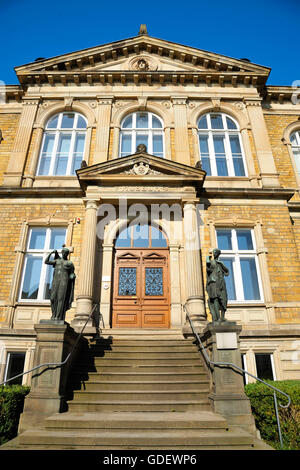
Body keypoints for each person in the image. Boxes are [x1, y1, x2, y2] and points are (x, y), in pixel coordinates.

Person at [45, 247, 76, 321]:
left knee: (60, 298)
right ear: (62, 253)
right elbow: (46, 261)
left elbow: (72, 273)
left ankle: (58, 317)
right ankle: (53, 315)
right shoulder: (57, 261)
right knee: (52, 298)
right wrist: (51, 253)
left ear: (67, 254)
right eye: (63, 252)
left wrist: (72, 276)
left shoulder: (69, 263)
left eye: (66, 253)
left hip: (64, 281)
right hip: (55, 281)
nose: (64, 254)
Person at [206, 248, 229, 323]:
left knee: (224, 299)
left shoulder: (220, 263)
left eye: (216, 252)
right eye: (214, 252)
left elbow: (227, 272)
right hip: (214, 282)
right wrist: (207, 259)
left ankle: (222, 317)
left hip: (221, 282)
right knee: (215, 298)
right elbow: (208, 269)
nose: (215, 253)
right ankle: (217, 318)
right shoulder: (211, 262)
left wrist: (221, 264)